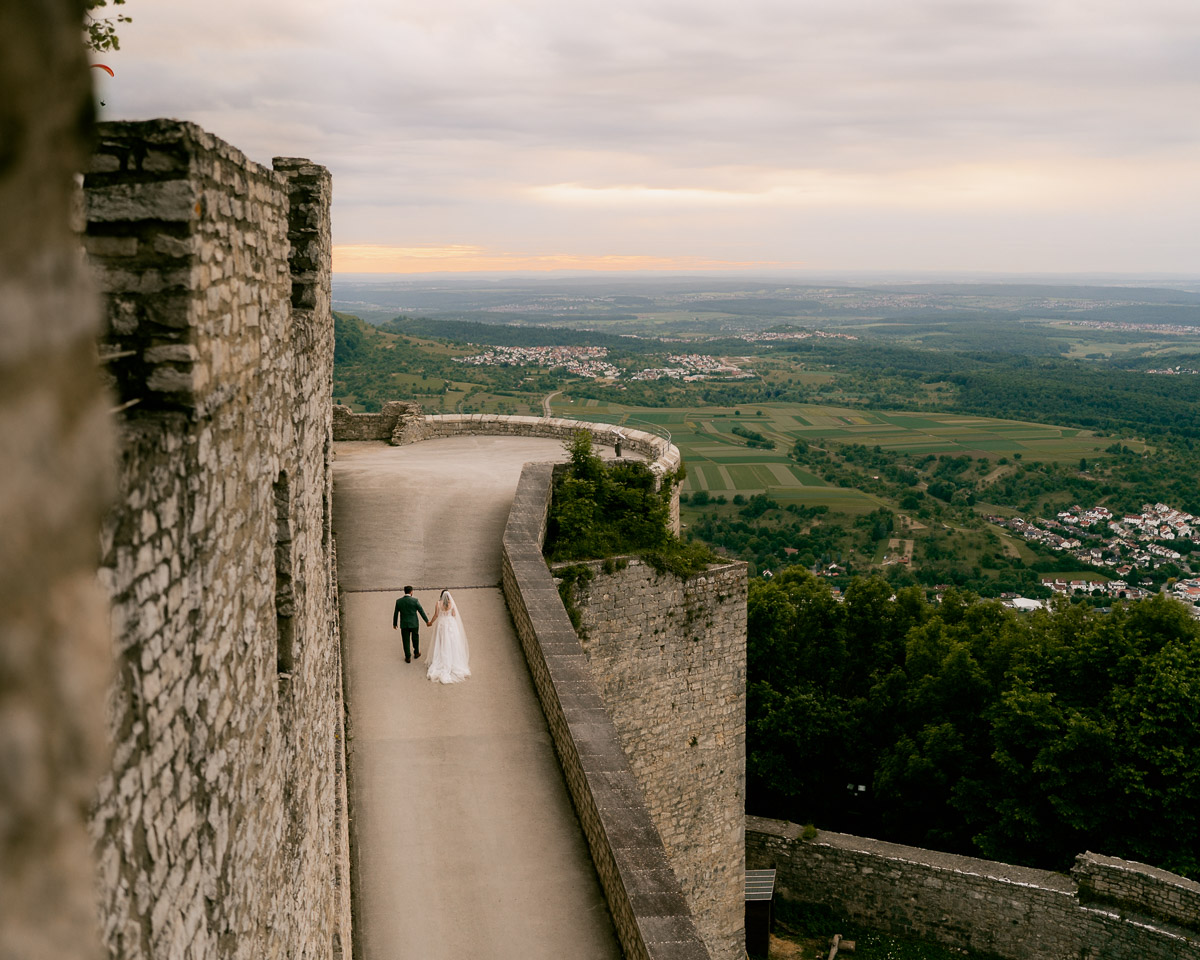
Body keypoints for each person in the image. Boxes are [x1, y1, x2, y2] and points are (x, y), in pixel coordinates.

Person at [426, 589, 470, 684]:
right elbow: (454, 614)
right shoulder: (452, 603)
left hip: (442, 624)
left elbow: (436, 615)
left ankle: (441, 659)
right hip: (450, 624)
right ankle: (452, 659)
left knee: (441, 642)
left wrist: (430, 622)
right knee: (452, 642)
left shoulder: (438, 603)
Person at [392, 585, 429, 663]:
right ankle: (416, 653)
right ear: (411, 592)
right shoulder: (415, 601)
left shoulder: (399, 601)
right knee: (415, 638)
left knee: (405, 640)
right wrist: (427, 621)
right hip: (414, 623)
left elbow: (396, 613)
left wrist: (395, 623)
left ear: (404, 591)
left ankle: (408, 657)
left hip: (404, 624)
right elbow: (421, 611)